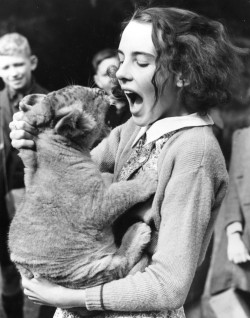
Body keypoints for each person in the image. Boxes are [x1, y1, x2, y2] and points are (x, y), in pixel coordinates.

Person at [9, 7, 241, 318]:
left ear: (184, 73)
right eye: (122, 59)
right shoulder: (133, 129)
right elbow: (64, 194)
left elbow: (169, 286)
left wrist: (71, 297)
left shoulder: (194, 153)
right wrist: (35, 148)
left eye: (141, 61)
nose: (120, 72)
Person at [0, 32, 48, 318]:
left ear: (32, 62)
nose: (13, 73)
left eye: (18, 65)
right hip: (1, 202)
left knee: (42, 267)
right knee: (6, 267)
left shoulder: (46, 102)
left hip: (34, 197)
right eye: (5, 67)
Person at [210, 127, 250, 310]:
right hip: (243, 242)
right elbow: (234, 185)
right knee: (226, 300)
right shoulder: (242, 136)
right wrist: (233, 234)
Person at [92, 48, 131, 130]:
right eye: (106, 75)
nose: (113, 79)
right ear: (98, 80)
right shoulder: (96, 117)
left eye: (116, 71)